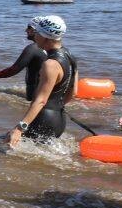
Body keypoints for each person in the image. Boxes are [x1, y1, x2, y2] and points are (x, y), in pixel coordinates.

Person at [5, 15, 76, 146]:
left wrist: (20, 128)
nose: (35, 36)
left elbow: (41, 100)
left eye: (37, 32)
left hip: (42, 119)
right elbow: (73, 92)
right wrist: (55, 108)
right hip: (59, 120)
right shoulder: (70, 56)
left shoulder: (50, 64)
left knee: (3, 147)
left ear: (45, 36)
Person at [0, 18, 46, 100]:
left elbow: (14, 70)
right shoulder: (57, 49)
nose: (26, 30)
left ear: (35, 30)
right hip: (47, 95)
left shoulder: (32, 49)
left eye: (29, 27)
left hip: (35, 96)